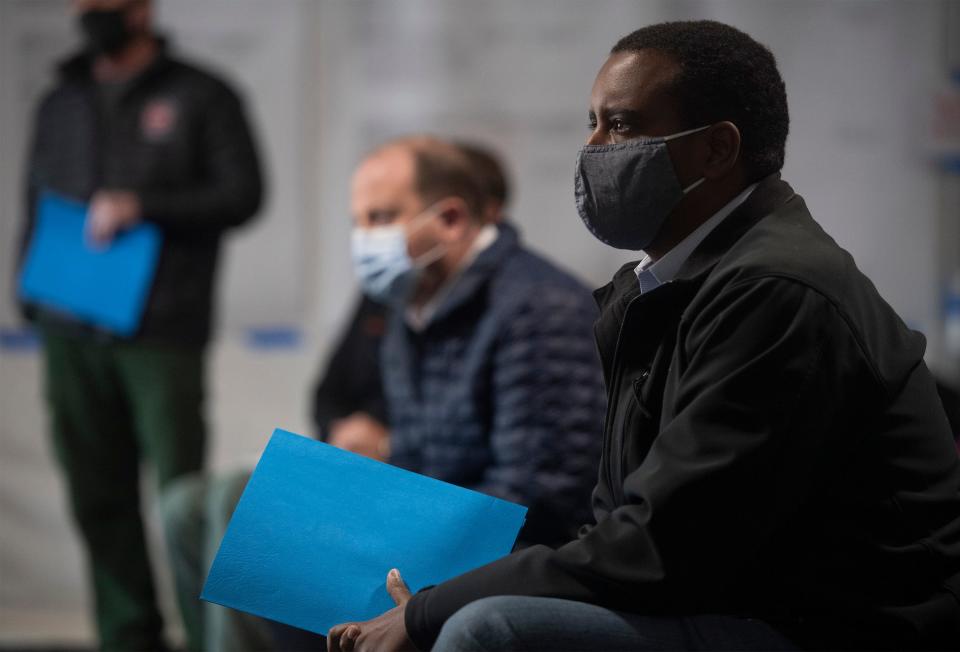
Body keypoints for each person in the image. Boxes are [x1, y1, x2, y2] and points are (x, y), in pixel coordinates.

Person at [327, 20, 960, 652]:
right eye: (593, 122)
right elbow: (618, 523)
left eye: (622, 125)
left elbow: (660, 546)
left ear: (716, 149)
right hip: (734, 597)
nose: (594, 147)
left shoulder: (775, 290)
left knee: (487, 631)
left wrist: (429, 609)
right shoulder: (660, 289)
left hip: (835, 627)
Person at [14, 0, 263, 649]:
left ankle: (209, 635)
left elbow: (244, 194)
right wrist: (27, 294)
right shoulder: (60, 99)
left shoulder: (202, 94)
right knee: (98, 497)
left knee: (182, 499)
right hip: (69, 324)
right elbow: (34, 200)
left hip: (161, 329)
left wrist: (143, 206)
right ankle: (127, 635)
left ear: (144, 10)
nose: (93, 12)